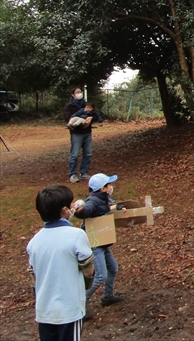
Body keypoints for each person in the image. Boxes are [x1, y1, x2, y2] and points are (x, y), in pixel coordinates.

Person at [27, 185, 95, 341]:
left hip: (44, 311)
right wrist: (86, 284)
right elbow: (88, 269)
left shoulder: (34, 242)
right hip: (69, 310)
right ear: (65, 210)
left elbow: (33, 277)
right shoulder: (76, 235)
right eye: (71, 204)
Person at [73, 173, 125, 319]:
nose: (111, 187)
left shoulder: (102, 199)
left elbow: (105, 208)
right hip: (95, 244)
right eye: (109, 185)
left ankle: (107, 297)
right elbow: (88, 210)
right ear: (103, 188)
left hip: (101, 242)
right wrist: (80, 210)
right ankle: (80, 305)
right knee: (100, 275)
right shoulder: (93, 201)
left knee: (113, 268)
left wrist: (117, 207)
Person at [63, 87, 101, 183]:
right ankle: (73, 174)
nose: (80, 94)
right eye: (77, 92)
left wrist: (91, 119)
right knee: (74, 154)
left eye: (80, 92)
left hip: (87, 132)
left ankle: (84, 173)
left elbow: (94, 115)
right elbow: (68, 119)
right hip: (76, 133)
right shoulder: (69, 106)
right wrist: (80, 124)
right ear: (72, 94)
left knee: (88, 154)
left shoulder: (86, 104)